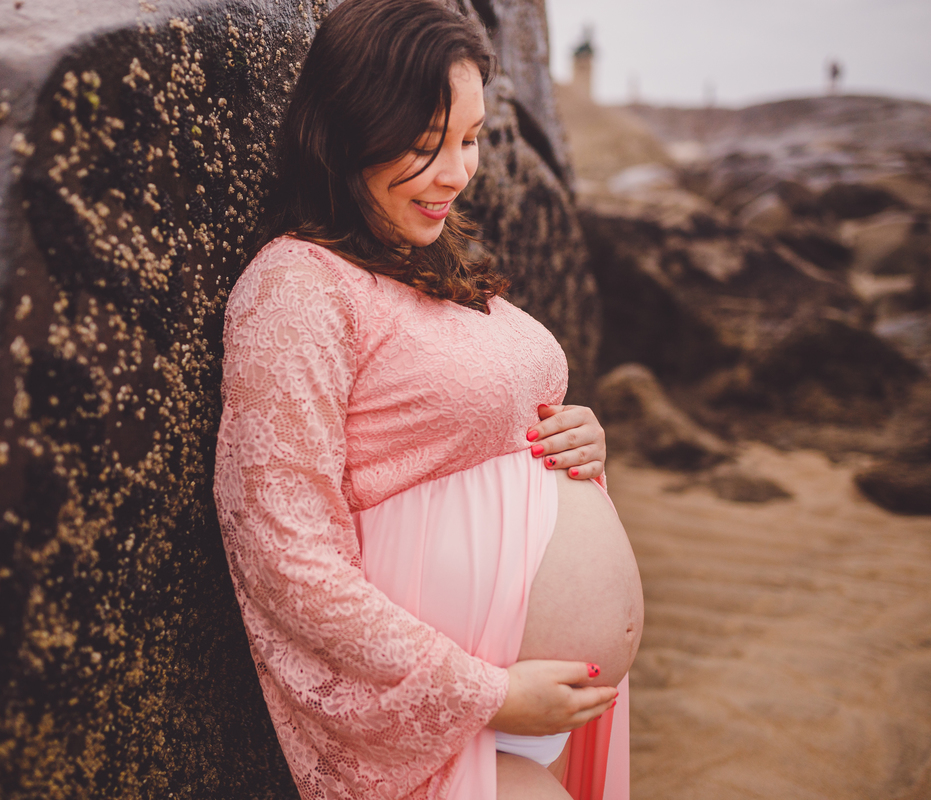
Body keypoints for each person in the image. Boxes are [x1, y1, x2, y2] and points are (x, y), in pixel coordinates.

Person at [213, 1, 643, 797]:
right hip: (434, 712)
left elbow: (484, 426)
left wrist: (579, 442)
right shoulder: (297, 285)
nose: (457, 172)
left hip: (526, 705)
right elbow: (282, 549)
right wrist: (489, 691)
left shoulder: (432, 267)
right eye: (423, 146)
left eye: (471, 139)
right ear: (348, 134)